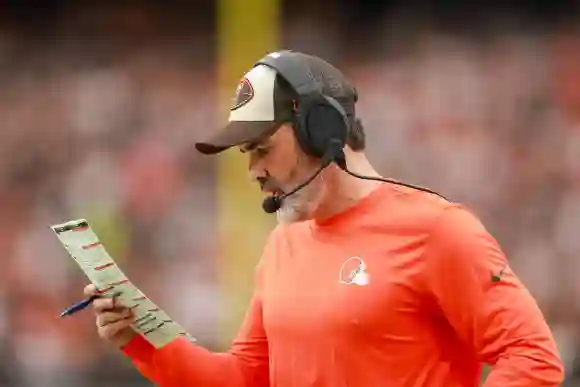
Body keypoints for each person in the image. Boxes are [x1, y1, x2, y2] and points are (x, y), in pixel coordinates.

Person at [84, 50, 564, 387]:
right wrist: (141, 339)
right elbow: (245, 379)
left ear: (322, 129)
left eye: (262, 149)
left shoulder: (438, 231)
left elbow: (532, 357)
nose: (253, 171)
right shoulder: (282, 247)